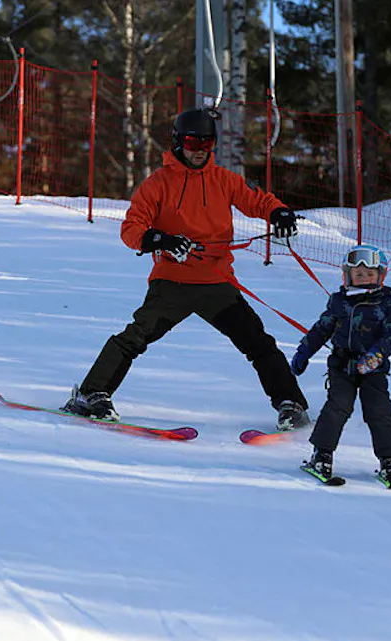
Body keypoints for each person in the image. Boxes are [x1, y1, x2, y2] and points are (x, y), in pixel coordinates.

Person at [63, 107, 310, 430]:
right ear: (178, 142)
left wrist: (278, 213)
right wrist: (158, 240)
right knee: (134, 338)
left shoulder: (224, 180)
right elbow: (131, 229)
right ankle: (91, 394)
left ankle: (291, 404)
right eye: (193, 143)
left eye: (207, 144)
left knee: (259, 343)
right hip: (173, 282)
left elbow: (258, 201)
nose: (199, 151)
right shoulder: (158, 183)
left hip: (217, 283)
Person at [289, 244, 391, 485]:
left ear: (380, 276)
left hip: (374, 369)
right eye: (358, 274)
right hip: (342, 366)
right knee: (337, 407)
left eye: (370, 274)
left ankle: (388, 461)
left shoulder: (388, 303)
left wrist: (374, 357)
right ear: (347, 275)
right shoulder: (340, 301)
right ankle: (322, 455)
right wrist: (304, 352)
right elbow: (322, 329)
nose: (364, 279)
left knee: (380, 412)